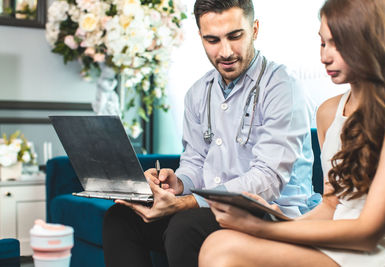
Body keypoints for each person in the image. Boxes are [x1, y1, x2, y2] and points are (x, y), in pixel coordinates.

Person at [102, 0, 319, 266]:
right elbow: (195, 162)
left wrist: (189, 202)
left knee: (185, 226)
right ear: (201, 37)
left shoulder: (283, 86)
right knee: (120, 218)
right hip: (212, 211)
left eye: (235, 36)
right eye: (212, 40)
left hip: (272, 214)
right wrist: (176, 184)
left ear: (255, 29)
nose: (225, 51)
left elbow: (268, 180)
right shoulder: (198, 92)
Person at [199, 0, 385, 266]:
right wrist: (276, 218)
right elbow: (330, 207)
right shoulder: (328, 112)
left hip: (378, 250)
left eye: (338, 44)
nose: (325, 56)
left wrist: (261, 228)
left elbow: (368, 232)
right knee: (219, 243)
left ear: (369, 42)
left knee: (224, 250)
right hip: (336, 240)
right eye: (323, 43)